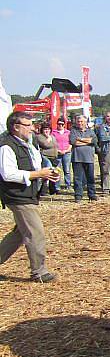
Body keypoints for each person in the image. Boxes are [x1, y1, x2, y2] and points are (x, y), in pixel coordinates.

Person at [0, 111, 58, 282]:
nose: (32, 128)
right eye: (28, 125)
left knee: (19, 234)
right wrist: (37, 174)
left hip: (28, 194)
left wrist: (47, 174)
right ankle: (39, 272)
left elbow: (35, 167)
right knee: (35, 232)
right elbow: (8, 174)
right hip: (17, 196)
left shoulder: (27, 144)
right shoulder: (6, 146)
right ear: (16, 127)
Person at [69, 114, 98, 202]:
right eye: (78, 121)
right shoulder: (73, 131)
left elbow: (94, 141)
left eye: (82, 121)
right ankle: (78, 195)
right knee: (77, 178)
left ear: (85, 122)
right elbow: (73, 142)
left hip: (89, 158)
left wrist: (80, 139)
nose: (80, 123)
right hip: (77, 158)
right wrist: (87, 141)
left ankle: (92, 194)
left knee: (90, 177)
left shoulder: (90, 131)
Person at [35, 123, 59, 195]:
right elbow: (45, 144)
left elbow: (56, 145)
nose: (47, 131)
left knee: (54, 173)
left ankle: (53, 189)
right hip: (45, 157)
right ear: (42, 130)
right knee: (46, 174)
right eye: (45, 129)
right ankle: (42, 191)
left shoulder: (52, 136)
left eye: (48, 129)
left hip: (54, 157)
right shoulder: (39, 137)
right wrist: (48, 138)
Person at [51, 118, 72, 191]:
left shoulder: (68, 132)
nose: (60, 125)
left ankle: (68, 185)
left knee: (67, 170)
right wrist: (58, 150)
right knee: (57, 170)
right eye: (59, 124)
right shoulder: (53, 132)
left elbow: (71, 142)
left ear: (64, 125)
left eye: (62, 124)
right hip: (57, 153)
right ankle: (57, 186)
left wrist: (67, 150)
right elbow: (52, 143)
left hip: (67, 153)